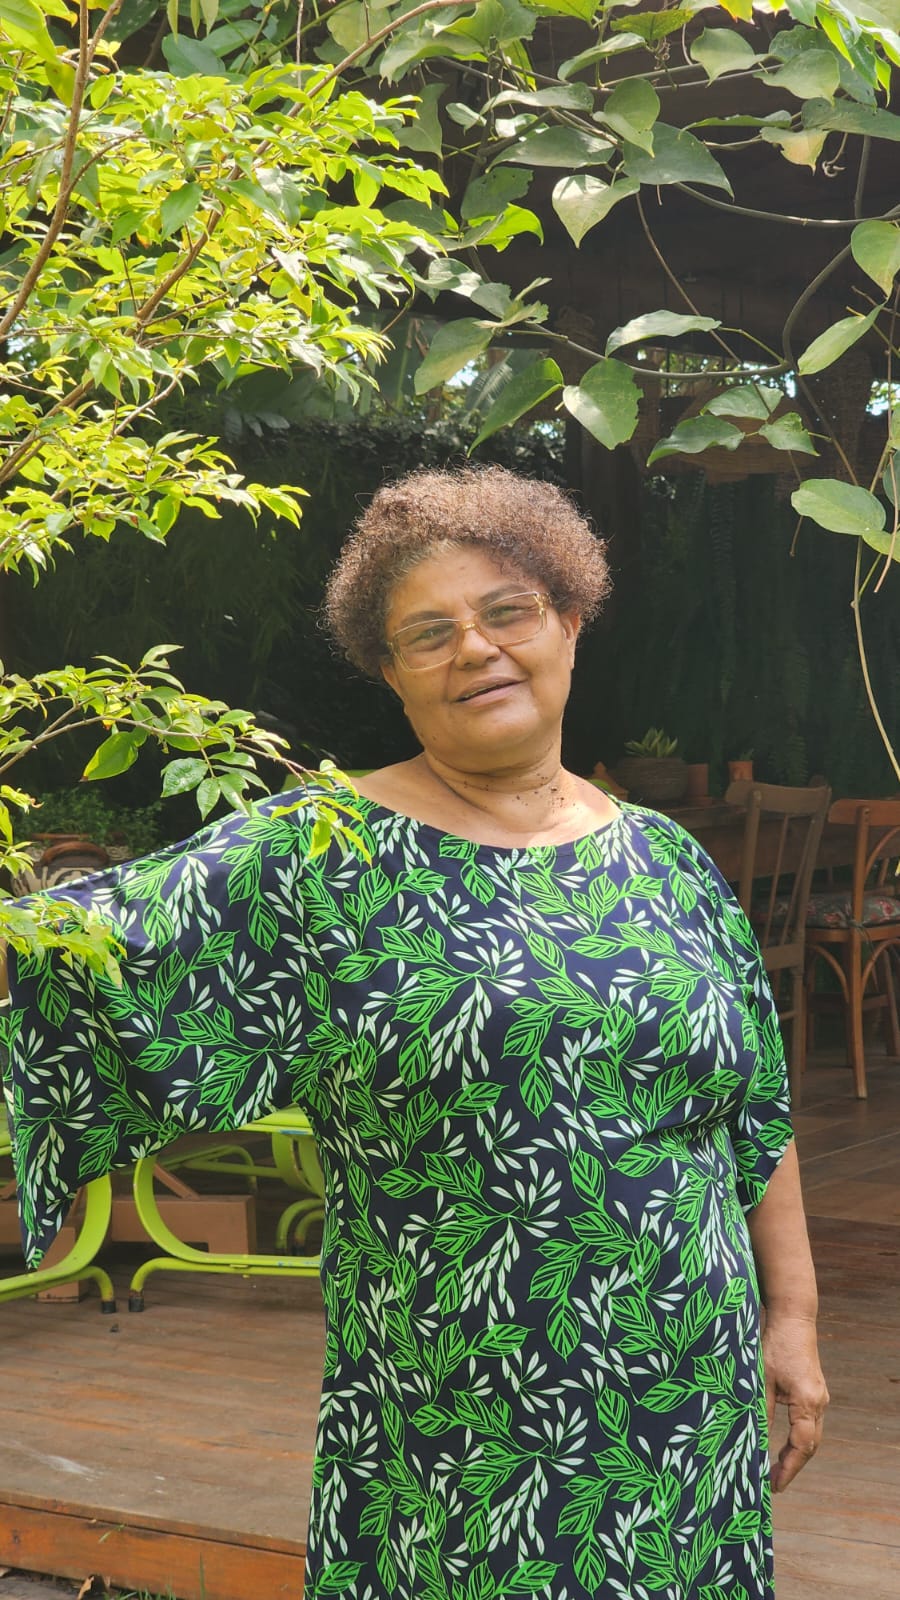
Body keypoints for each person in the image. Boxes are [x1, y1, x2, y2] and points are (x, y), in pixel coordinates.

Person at [1, 465, 827, 1600]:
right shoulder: (316, 854)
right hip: (460, 1423)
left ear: (570, 620)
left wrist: (795, 1318)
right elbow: (72, 953)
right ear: (390, 672)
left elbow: (751, 1111)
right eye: (428, 634)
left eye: (506, 612)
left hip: (687, 1397)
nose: (474, 649)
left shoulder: (666, 859)